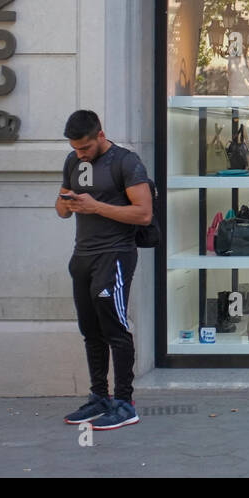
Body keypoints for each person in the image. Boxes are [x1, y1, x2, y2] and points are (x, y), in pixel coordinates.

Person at [55, 110, 152, 430]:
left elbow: (143, 215)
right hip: (82, 256)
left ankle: (125, 402)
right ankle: (100, 397)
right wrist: (68, 203)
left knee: (115, 329)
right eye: (75, 148)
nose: (79, 154)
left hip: (116, 256)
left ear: (100, 135)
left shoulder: (126, 162)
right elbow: (61, 211)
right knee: (90, 331)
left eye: (84, 147)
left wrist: (95, 206)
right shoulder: (73, 161)